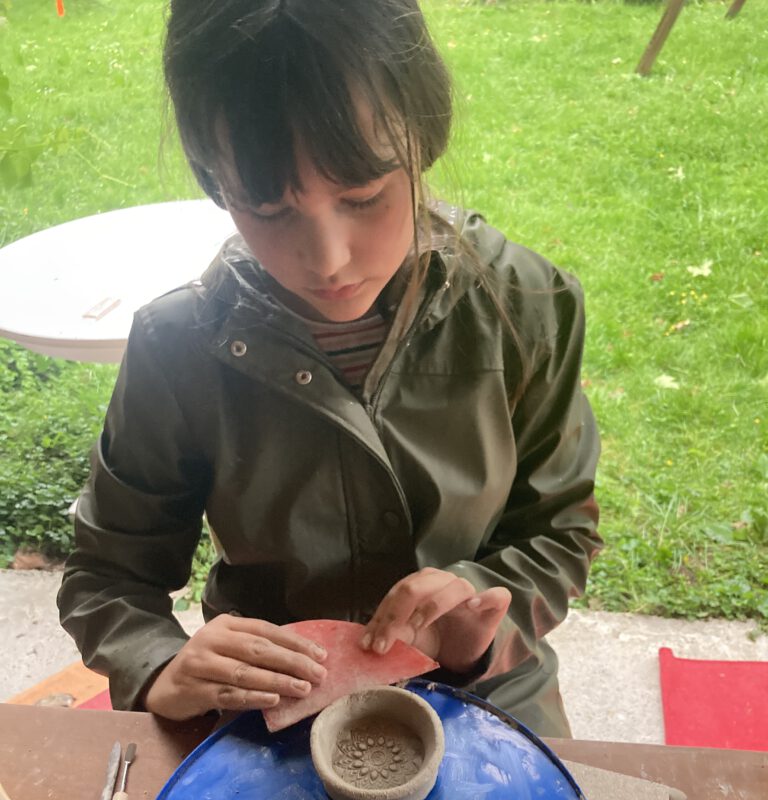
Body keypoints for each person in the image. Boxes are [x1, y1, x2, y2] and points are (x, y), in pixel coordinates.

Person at [57, 0, 602, 737]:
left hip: (487, 695)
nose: (328, 260)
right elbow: (108, 574)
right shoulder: (178, 347)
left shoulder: (527, 308)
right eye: (269, 210)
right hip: (269, 710)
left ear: (425, 137)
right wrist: (159, 664)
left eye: (364, 197)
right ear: (215, 180)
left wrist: (480, 616)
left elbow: (560, 529)